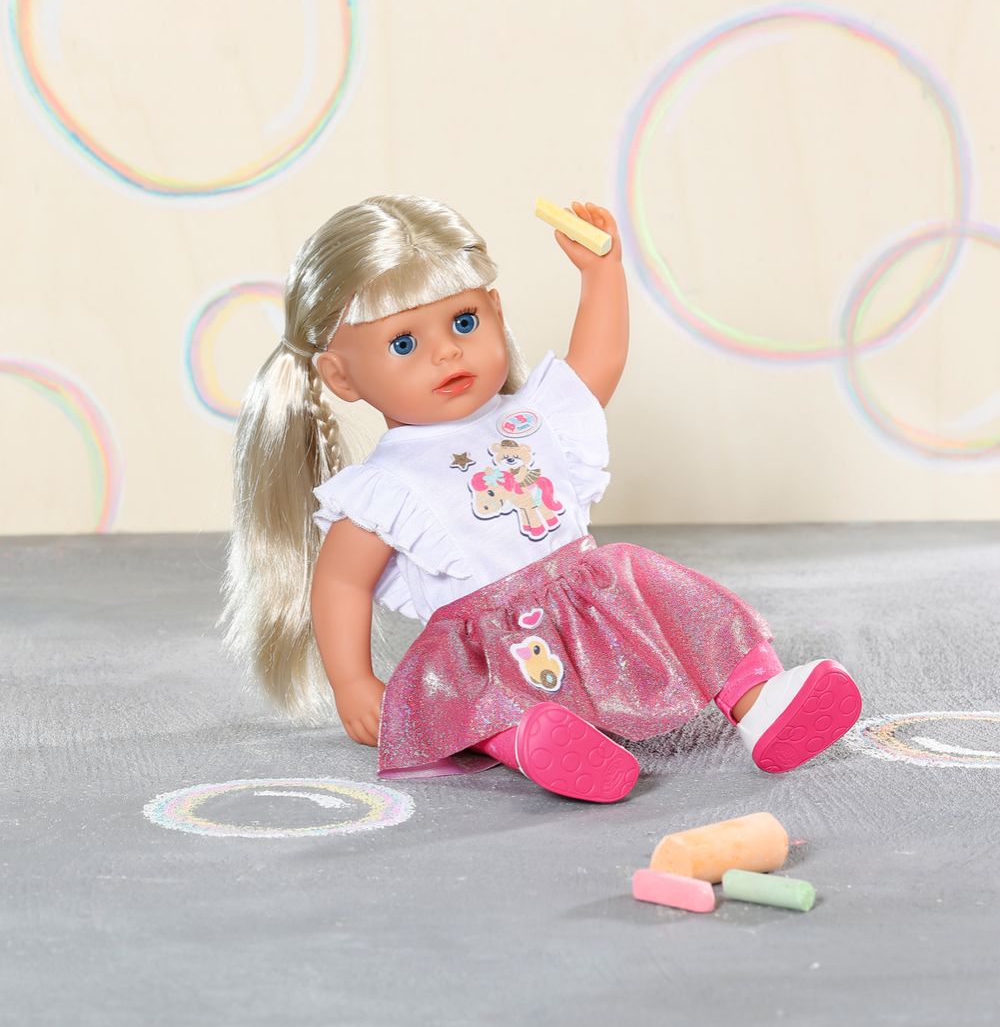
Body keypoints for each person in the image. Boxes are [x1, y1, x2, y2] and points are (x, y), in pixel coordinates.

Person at [221, 193, 861, 803]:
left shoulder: (535, 418)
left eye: (464, 321)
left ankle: (760, 700)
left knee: (682, 609)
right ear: (341, 376)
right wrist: (352, 681)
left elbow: (599, 361)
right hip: (493, 636)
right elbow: (342, 582)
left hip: (595, 598)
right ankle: (534, 746)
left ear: (496, 314)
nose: (447, 350)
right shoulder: (384, 488)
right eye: (404, 343)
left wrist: (601, 274)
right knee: (479, 694)